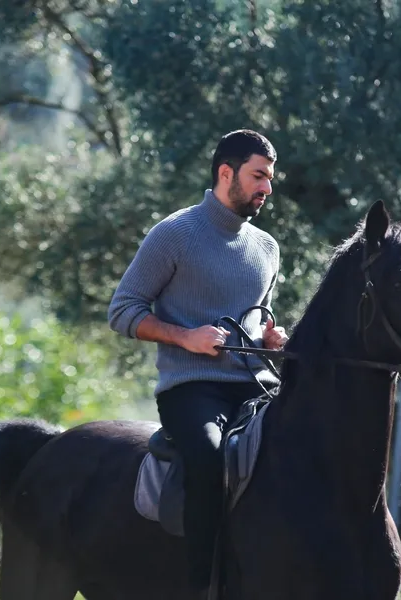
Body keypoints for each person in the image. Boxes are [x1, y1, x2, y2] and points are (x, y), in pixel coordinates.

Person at [107, 129, 288, 589]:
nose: (267, 187)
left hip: (258, 386)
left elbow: (257, 317)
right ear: (226, 173)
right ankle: (200, 587)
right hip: (192, 388)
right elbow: (123, 311)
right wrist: (185, 337)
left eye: (270, 178)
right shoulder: (174, 234)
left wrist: (271, 339)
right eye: (258, 176)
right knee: (209, 461)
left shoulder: (268, 248)